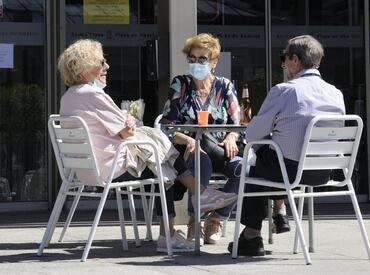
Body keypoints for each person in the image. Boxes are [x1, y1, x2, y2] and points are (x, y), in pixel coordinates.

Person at [57, 39, 237, 253]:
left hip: (84, 171)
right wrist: (130, 123)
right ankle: (171, 230)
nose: (107, 67)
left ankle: (196, 199)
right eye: (102, 62)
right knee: (161, 162)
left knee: (158, 148)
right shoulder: (94, 95)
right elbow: (127, 131)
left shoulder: (68, 97)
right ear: (86, 66)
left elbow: (114, 128)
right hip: (111, 167)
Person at [228, 35, 346, 256]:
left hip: (289, 171)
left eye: (284, 58)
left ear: (295, 60)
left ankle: (252, 234)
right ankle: (278, 214)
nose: (283, 64)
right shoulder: (335, 93)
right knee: (273, 158)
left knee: (255, 162)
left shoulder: (285, 90)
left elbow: (253, 134)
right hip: (323, 171)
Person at [160, 33, 253, 244]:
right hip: (189, 151)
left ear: (213, 62)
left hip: (221, 148)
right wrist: (189, 140)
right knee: (201, 159)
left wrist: (232, 136)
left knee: (244, 169)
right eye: (192, 59)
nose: (196, 63)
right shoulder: (180, 85)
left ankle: (217, 219)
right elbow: (167, 126)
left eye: (202, 59)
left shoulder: (225, 86)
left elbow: (238, 123)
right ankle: (195, 220)